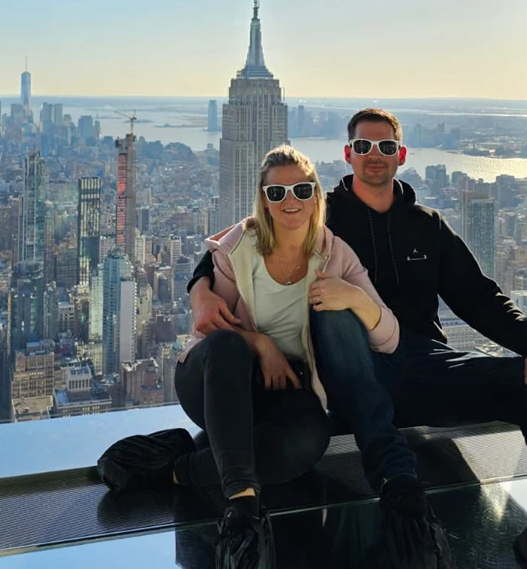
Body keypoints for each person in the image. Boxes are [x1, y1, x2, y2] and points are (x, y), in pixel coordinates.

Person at [188, 107, 527, 569]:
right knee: (335, 315)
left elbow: (478, 296)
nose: (374, 155)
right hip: (347, 377)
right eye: (363, 146)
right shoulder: (314, 214)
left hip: (423, 366)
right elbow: (233, 248)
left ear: (401, 155)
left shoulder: (428, 225)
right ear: (348, 154)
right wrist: (200, 290)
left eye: (386, 146)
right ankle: (389, 482)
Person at [98, 145, 451, 569]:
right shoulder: (240, 247)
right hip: (217, 379)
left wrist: (355, 298)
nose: (291, 202)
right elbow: (214, 330)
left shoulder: (336, 255)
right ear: (263, 199)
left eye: (302, 190)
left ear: (317, 196)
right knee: (230, 346)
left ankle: (178, 467)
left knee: (309, 441)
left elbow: (389, 338)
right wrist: (260, 344)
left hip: (282, 391)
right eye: (278, 193)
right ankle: (243, 509)